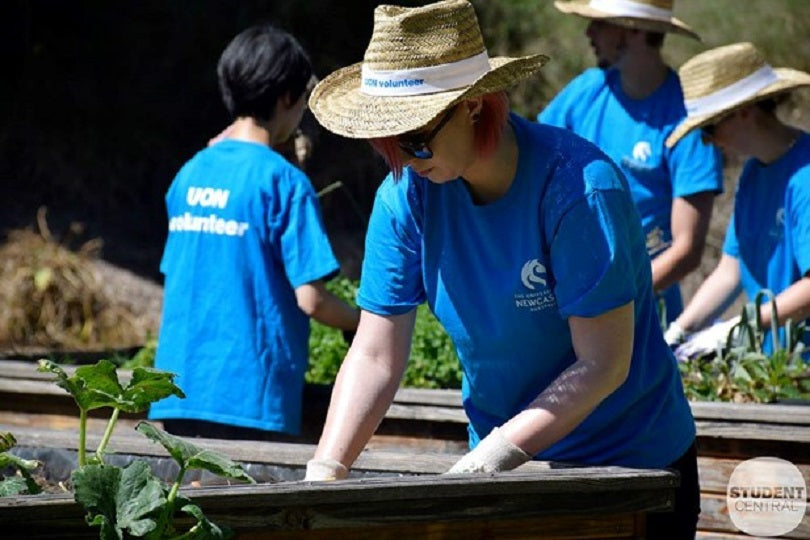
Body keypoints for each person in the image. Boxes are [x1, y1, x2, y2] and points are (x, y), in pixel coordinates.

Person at [303, 1, 699, 536]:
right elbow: (374, 354)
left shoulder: (579, 188)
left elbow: (603, 365)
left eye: (416, 137)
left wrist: (490, 458)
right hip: (506, 473)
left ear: (474, 107)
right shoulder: (405, 198)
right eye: (389, 142)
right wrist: (324, 474)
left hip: (632, 468)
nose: (406, 158)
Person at [149, 23, 360, 440]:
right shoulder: (285, 183)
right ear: (287, 97)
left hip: (177, 392)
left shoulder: (189, 174)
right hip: (253, 400)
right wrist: (360, 323)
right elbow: (312, 299)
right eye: (303, 101)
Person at [538, 0, 723, 326]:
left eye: (600, 23)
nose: (588, 32)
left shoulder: (686, 119)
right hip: (567, 299)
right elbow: (534, 169)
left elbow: (687, 249)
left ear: (635, 30)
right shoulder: (585, 90)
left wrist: (610, 299)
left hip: (643, 314)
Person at [663, 42, 810, 358]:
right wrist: (679, 331)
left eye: (710, 127)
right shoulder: (754, 172)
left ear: (745, 111)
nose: (707, 141)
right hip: (775, 367)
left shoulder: (806, 176)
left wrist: (737, 328)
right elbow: (730, 271)